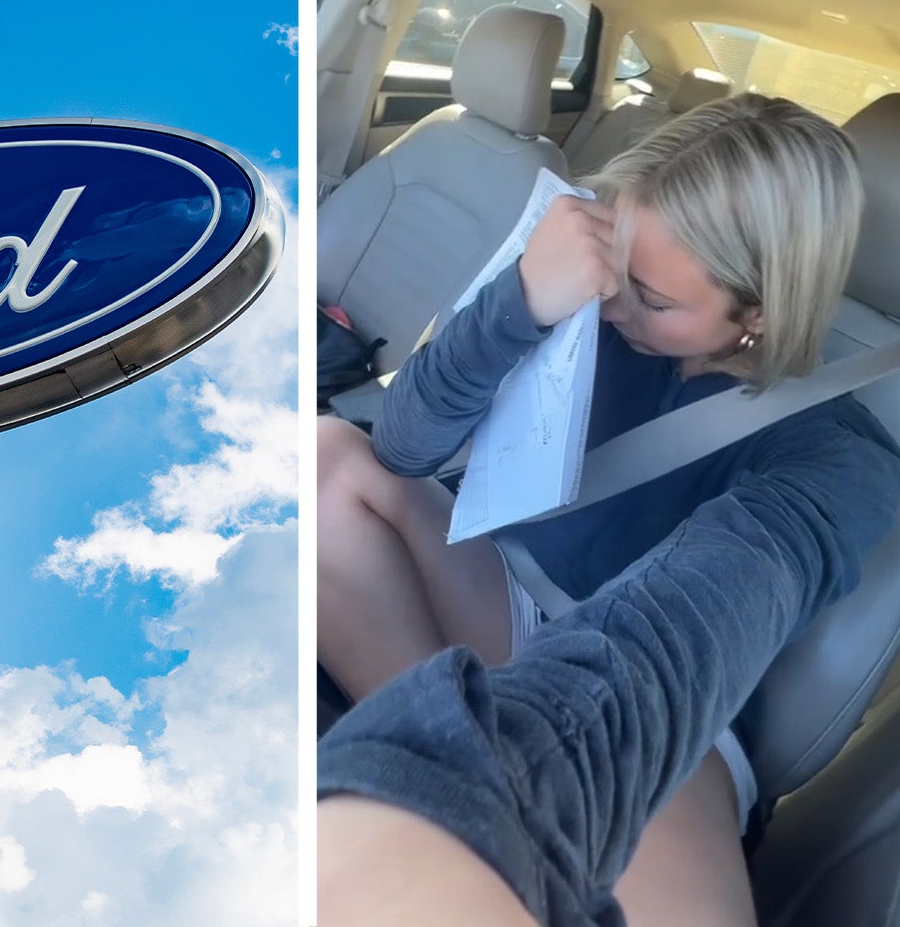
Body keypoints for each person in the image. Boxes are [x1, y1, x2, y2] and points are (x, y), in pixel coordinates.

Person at [315, 91, 900, 924]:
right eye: (612, 275)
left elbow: (686, 626)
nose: (615, 305)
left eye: (654, 301)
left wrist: (519, 759)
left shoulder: (838, 460)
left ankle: (455, 786)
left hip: (665, 701)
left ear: (758, 313)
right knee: (327, 458)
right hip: (495, 592)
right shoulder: (580, 303)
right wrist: (522, 299)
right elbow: (404, 449)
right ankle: (439, 774)